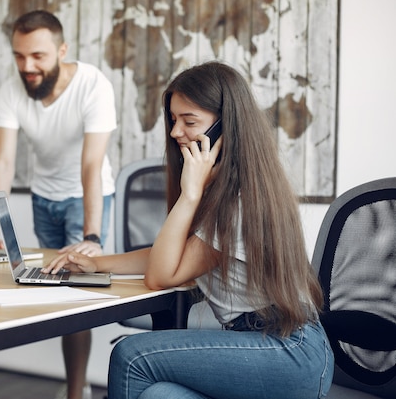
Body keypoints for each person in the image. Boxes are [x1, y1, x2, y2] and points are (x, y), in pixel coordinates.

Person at [43, 61, 335, 399]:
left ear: (225, 127)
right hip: (263, 344)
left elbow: (161, 275)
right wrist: (98, 263)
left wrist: (190, 194)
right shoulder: (226, 189)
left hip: (288, 351)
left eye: (189, 121)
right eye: (173, 119)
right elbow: (177, 258)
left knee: (132, 356)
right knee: (157, 394)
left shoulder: (240, 200)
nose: (174, 132)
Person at [0, 10, 116, 399]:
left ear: (62, 50)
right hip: (44, 198)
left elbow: (91, 164)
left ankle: (77, 391)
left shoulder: (94, 85)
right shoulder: (11, 90)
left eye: (38, 56)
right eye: (19, 56)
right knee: (53, 292)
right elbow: (4, 162)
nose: (28, 66)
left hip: (85, 197)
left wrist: (91, 233)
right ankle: (75, 383)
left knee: (74, 295)